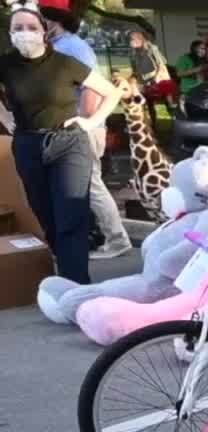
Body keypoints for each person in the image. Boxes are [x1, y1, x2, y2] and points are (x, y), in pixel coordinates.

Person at [0, 2, 123, 285]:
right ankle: (65, 269)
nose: (24, 32)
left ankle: (75, 286)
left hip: (68, 144)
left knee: (71, 216)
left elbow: (111, 93)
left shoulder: (65, 63)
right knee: (45, 214)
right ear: (10, 33)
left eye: (31, 27)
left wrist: (91, 122)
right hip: (28, 145)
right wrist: (5, 117)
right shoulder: (6, 64)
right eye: (18, 28)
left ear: (44, 31)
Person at [39, 0, 132, 259]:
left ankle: (117, 239)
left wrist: (84, 122)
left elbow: (91, 88)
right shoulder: (58, 46)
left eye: (40, 19)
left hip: (82, 128)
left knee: (91, 185)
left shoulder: (72, 47)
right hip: (70, 129)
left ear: (52, 19)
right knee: (79, 186)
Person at [127, 30, 172, 125]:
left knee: (166, 103)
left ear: (139, 39)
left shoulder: (151, 48)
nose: (130, 42)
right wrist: (133, 78)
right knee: (149, 105)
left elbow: (162, 63)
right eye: (130, 39)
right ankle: (153, 126)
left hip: (157, 80)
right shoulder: (133, 52)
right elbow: (135, 69)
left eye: (132, 39)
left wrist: (156, 78)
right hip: (144, 82)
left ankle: (174, 121)